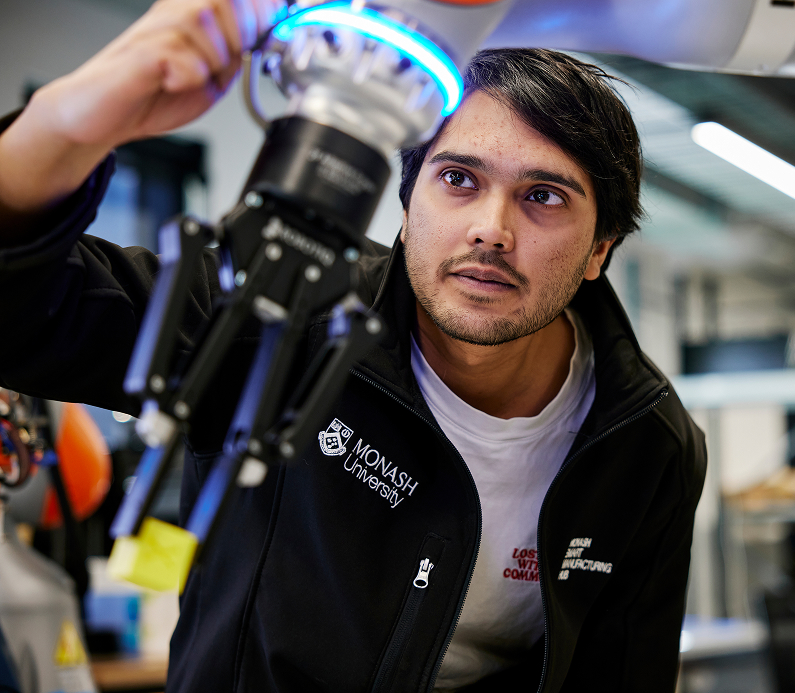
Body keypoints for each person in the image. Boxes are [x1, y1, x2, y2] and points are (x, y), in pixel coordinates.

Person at [0, 0, 706, 690]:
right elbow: (24, 311)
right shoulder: (273, 313)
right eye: (458, 179)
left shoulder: (644, 442)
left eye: (543, 196)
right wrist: (73, 117)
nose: (491, 228)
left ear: (598, 250)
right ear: (405, 209)